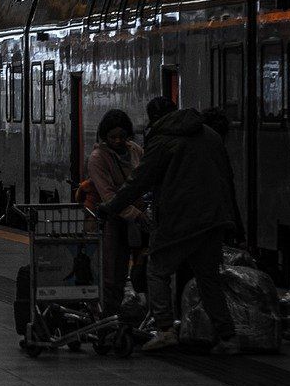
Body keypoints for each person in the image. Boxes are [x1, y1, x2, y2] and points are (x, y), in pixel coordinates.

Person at [103, 97, 244, 354]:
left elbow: (139, 181)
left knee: (157, 270)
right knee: (208, 277)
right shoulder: (211, 135)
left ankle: (165, 329)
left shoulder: (163, 139)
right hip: (213, 218)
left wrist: (111, 207)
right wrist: (234, 220)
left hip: (179, 220)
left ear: (154, 118)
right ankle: (228, 337)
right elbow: (228, 178)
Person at [85, 109, 145, 314]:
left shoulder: (135, 150)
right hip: (107, 220)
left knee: (132, 267)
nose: (118, 141)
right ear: (104, 136)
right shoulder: (97, 158)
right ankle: (106, 312)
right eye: (113, 137)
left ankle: (120, 310)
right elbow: (108, 196)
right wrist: (138, 214)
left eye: (122, 136)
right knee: (110, 270)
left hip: (132, 217)